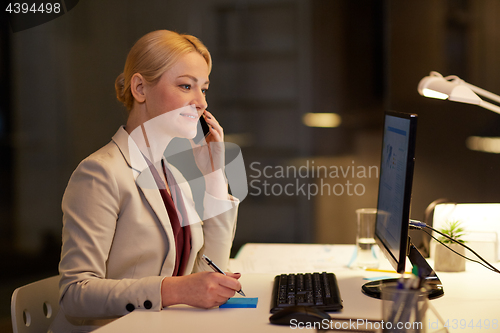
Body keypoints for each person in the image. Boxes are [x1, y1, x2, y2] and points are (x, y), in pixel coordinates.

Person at [49, 30, 241, 333]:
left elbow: (206, 275)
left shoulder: (172, 173)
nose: (201, 102)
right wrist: (173, 290)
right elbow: (75, 294)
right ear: (140, 88)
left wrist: (214, 178)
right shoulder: (100, 173)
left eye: (204, 89)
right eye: (186, 85)